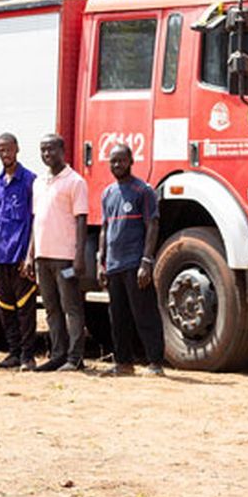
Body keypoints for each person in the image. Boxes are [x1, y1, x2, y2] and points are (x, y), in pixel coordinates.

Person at [97, 144, 166, 376]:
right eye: (113, 161)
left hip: (135, 264)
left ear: (131, 161)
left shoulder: (143, 191)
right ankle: (123, 363)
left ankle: (155, 363)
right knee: (118, 318)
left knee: (145, 315)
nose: (117, 165)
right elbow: (105, 229)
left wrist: (146, 261)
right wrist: (101, 262)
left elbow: (152, 225)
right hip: (114, 265)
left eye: (121, 161)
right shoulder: (108, 193)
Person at [29, 133, 92, 372]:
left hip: (64, 257)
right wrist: (30, 254)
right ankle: (58, 354)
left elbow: (81, 221)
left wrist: (79, 257)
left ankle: (75, 358)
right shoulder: (39, 182)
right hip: (42, 257)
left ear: (63, 151)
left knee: (71, 308)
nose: (47, 154)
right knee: (51, 308)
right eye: (43, 150)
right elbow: (37, 221)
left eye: (51, 149)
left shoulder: (75, 182)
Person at [0, 133, 39, 370]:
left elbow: (36, 220)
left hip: (20, 257)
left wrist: (29, 256)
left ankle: (28, 356)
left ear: (17, 149)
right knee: (5, 308)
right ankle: (13, 353)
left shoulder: (30, 181)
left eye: (8, 149)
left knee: (25, 309)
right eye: (0, 150)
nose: (5, 154)